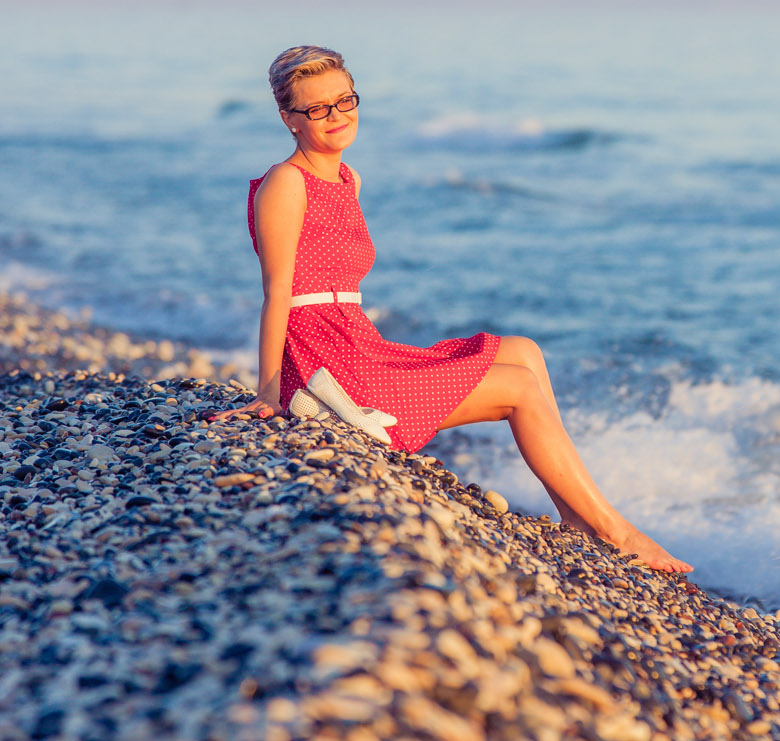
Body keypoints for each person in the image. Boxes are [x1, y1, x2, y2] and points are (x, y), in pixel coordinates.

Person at [210, 46, 692, 574]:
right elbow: (278, 291)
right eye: (318, 108)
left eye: (344, 100)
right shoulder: (286, 182)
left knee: (524, 351)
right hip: (326, 361)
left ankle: (572, 513)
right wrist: (268, 392)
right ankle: (613, 531)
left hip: (357, 339)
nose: (337, 116)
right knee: (520, 390)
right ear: (289, 119)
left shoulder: (349, 180)